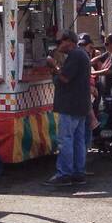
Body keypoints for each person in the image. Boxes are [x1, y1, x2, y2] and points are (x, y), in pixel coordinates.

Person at [47, 31, 91, 186]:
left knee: (66, 140)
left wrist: (54, 66)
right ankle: (78, 173)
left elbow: (65, 78)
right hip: (80, 104)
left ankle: (64, 174)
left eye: (61, 42)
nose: (59, 46)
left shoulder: (75, 55)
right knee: (78, 140)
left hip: (70, 104)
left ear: (69, 41)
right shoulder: (82, 54)